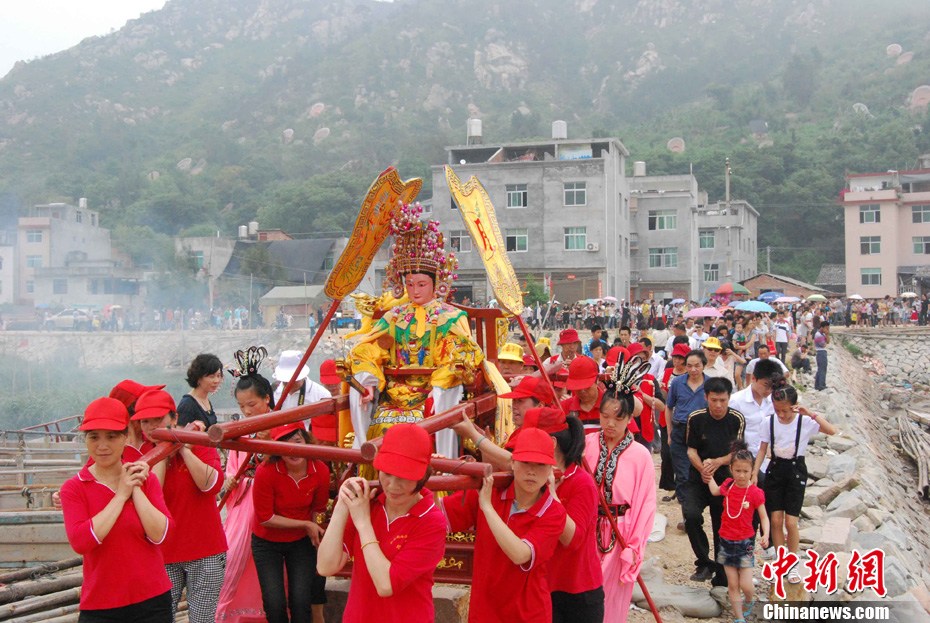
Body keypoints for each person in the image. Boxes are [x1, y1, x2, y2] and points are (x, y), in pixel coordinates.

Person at [346, 203, 494, 462]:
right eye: (410, 284)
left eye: (422, 284)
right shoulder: (394, 316)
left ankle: (440, 467)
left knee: (437, 404)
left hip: (431, 392)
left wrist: (441, 379)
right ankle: (368, 461)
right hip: (394, 394)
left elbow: (463, 352)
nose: (415, 290)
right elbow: (369, 348)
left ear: (436, 285)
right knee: (378, 422)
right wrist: (367, 381)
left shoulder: (449, 316)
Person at [317, 424, 447, 623]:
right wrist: (342, 505)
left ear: (423, 475)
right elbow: (326, 566)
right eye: (387, 473)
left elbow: (386, 584)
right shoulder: (368, 502)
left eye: (404, 477)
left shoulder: (431, 521)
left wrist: (363, 523)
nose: (393, 486)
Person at [60, 397, 173, 622]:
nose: (102, 446)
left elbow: (161, 535)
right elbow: (81, 542)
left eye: (111, 437)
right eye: (94, 437)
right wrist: (121, 495)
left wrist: (134, 489)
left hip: (152, 599)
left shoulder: (145, 479)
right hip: (101, 604)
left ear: (125, 437)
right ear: (86, 441)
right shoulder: (74, 488)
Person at [442, 428, 567, 623]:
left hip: (528, 614)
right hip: (484, 612)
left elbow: (520, 554)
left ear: (551, 470)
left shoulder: (554, 512)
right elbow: (439, 518)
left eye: (541, 464)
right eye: (525, 462)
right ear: (513, 463)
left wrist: (487, 508)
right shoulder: (490, 492)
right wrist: (427, 483)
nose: (532, 471)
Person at [132, 390, 227, 623]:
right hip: (162, 552)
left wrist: (183, 448)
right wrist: (162, 454)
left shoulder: (198, 442)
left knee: (202, 619)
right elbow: (154, 497)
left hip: (205, 549)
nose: (152, 426)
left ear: (174, 418)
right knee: (160, 617)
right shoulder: (142, 455)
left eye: (158, 419)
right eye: (145, 421)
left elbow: (210, 485)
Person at [584, 356, 656, 621]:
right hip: (587, 530)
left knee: (611, 597)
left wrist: (635, 547)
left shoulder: (640, 456)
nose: (610, 424)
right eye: (604, 417)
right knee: (584, 595)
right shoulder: (588, 444)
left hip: (621, 533)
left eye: (618, 418)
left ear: (629, 419)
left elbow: (646, 505)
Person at [753, 381, 837, 583]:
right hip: (775, 469)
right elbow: (763, 449)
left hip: (795, 471)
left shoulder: (803, 422)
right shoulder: (769, 422)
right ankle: (781, 561)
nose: (781, 415)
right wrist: (755, 472)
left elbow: (831, 430)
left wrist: (810, 413)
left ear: (794, 406)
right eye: (777, 410)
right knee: (775, 520)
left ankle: (792, 563)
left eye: (785, 411)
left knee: (791, 522)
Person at [216, 347, 275, 623]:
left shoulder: (282, 424)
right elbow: (233, 465)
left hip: (270, 499)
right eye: (242, 407)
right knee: (232, 558)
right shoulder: (240, 429)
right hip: (244, 500)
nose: (247, 411)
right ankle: (226, 612)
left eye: (252, 405)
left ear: (267, 398)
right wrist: (231, 480)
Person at [252, 422, 330, 623]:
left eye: (297, 442)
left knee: (301, 601)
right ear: (276, 448)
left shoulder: (320, 469)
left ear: (306, 441)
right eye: (283, 444)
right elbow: (265, 518)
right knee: (274, 603)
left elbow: (318, 509)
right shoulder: (266, 471)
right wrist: (305, 525)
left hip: (301, 541)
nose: (292, 450)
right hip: (267, 541)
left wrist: (318, 535)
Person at [682, 377, 745, 587]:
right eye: (714, 400)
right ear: (706, 397)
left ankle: (721, 571)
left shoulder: (736, 419)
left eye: (723, 400)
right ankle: (704, 561)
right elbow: (691, 450)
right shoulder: (696, 418)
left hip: (725, 478)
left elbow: (737, 452)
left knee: (722, 524)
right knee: (691, 515)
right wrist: (703, 470)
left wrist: (717, 463)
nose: (718, 405)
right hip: (698, 476)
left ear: (729, 399)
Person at [707, 442, 769, 623]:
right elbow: (715, 490)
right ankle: (739, 617)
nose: (741, 475)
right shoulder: (728, 485)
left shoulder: (755, 493)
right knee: (733, 584)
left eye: (745, 471)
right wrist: (708, 475)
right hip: (725, 540)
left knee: (746, 585)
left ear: (752, 471)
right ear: (731, 470)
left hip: (745, 543)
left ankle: (749, 600)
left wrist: (765, 534)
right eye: (737, 471)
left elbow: (764, 517)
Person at [665, 350, 708, 506]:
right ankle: (686, 511)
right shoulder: (677, 383)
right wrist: (669, 433)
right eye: (689, 366)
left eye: (697, 366)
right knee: (682, 474)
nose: (693, 369)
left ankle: (696, 506)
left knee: (698, 472)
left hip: (701, 434)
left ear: (704, 365)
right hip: (679, 431)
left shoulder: (710, 385)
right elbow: (668, 407)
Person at [176, 353, 224, 428]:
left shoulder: (205, 400)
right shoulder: (187, 404)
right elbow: (179, 434)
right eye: (212, 376)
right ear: (198, 377)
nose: (216, 380)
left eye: (218, 376)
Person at [561, 356, 605, 433]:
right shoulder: (564, 408)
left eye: (587, 386)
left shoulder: (613, 405)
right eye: (577, 387)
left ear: (597, 379)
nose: (582, 391)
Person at [813, 321, 830, 391]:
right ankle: (821, 385)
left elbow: (828, 341)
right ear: (822, 327)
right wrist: (826, 337)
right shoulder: (818, 335)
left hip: (822, 352)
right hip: (821, 353)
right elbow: (824, 344)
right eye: (826, 328)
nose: (827, 330)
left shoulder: (822, 334)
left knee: (821, 369)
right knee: (822, 369)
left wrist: (827, 335)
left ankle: (818, 385)